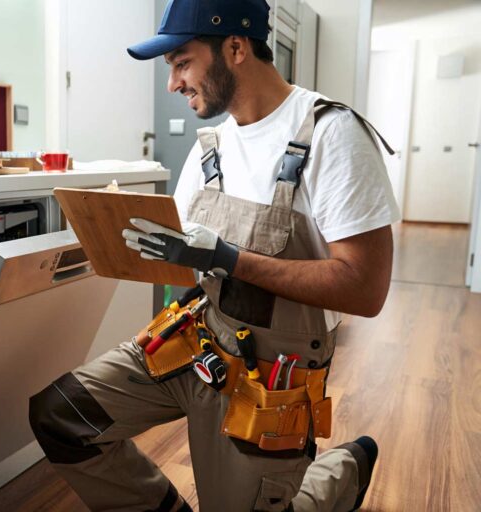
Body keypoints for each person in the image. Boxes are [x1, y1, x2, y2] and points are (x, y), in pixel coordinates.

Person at [29, 0, 400, 510]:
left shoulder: (332, 134)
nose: (172, 84)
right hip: (197, 338)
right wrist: (120, 240)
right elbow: (185, 255)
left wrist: (230, 259)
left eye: (182, 63)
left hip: (272, 368)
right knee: (63, 415)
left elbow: (365, 288)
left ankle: (341, 471)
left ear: (236, 47)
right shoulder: (213, 144)